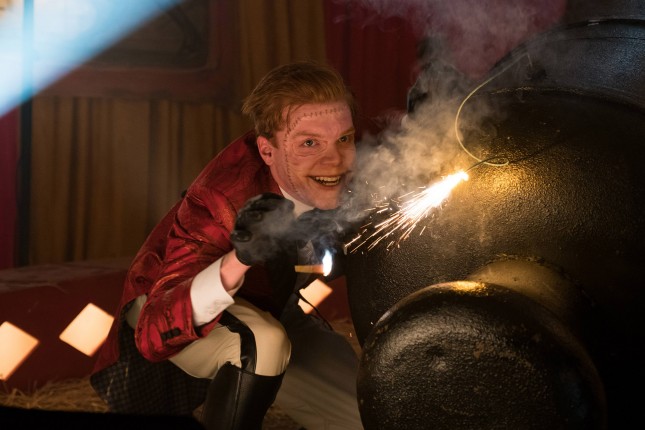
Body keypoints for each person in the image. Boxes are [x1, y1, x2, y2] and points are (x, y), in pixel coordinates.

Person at [90, 60, 364, 430]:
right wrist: (242, 257)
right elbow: (153, 334)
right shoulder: (219, 201)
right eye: (309, 143)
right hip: (177, 306)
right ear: (267, 152)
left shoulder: (359, 171)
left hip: (275, 306)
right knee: (263, 342)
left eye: (344, 139)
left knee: (368, 417)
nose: (334, 160)